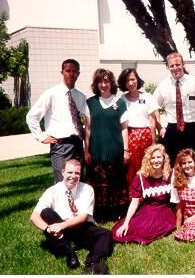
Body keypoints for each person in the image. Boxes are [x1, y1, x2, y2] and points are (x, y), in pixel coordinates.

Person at [30, 159, 113, 274]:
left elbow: (83, 217)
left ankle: (93, 262)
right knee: (46, 212)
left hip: (79, 226)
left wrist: (63, 224)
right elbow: (34, 216)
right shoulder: (52, 191)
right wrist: (48, 229)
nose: (73, 176)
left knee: (106, 234)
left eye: (77, 173)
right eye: (70, 172)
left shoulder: (87, 189)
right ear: (62, 172)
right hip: (60, 231)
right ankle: (69, 253)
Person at [26, 59, 86, 184]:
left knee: (78, 182)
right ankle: (61, 204)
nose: (71, 74)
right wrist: (41, 137)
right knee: (62, 183)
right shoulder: (51, 94)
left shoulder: (81, 97)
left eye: (74, 71)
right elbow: (32, 116)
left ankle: (76, 204)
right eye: (68, 71)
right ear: (62, 72)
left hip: (78, 145)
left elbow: (84, 120)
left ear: (78, 74)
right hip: (61, 146)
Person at [153, 52, 195, 166]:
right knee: (173, 165)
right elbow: (153, 107)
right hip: (173, 131)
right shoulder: (163, 85)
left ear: (183, 65)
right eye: (172, 66)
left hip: (194, 130)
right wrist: (159, 127)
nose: (175, 68)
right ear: (168, 67)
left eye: (178, 65)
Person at [84, 68, 130, 222]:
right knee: (98, 186)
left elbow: (124, 129)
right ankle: (100, 214)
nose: (103, 84)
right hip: (96, 151)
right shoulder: (90, 103)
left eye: (106, 81)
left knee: (115, 184)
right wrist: (86, 150)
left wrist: (125, 150)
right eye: (100, 81)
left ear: (111, 82)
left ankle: (116, 212)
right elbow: (88, 128)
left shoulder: (120, 102)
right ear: (96, 84)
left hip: (115, 151)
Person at [111, 144, 176, 244]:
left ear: (164, 159)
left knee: (151, 230)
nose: (156, 160)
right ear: (148, 160)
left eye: (159, 157)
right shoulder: (141, 176)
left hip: (165, 210)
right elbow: (134, 202)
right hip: (148, 210)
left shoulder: (171, 174)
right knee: (135, 230)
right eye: (153, 158)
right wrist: (126, 222)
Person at [117, 68, 162, 189]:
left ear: (137, 80)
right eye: (127, 81)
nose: (131, 83)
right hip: (129, 137)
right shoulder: (121, 100)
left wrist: (153, 142)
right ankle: (133, 197)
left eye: (133, 79)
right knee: (131, 169)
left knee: (147, 166)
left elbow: (153, 121)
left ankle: (148, 196)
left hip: (146, 136)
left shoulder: (148, 97)